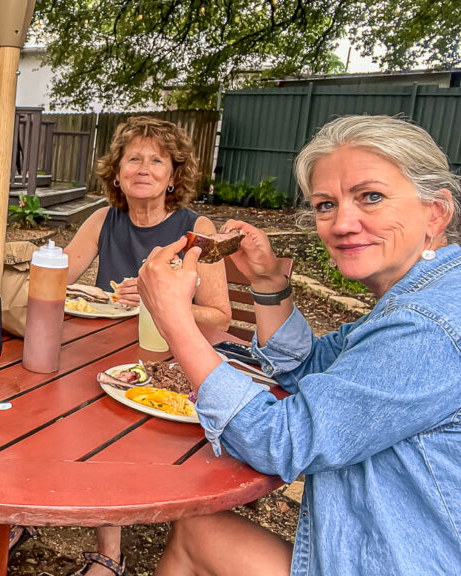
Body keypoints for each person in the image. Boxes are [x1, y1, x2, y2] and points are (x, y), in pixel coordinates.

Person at [140, 115, 461, 575]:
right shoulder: (424, 296)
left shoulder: (426, 326)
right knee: (197, 532)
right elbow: (311, 367)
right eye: (326, 204)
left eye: (371, 196)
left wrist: (175, 322)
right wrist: (270, 283)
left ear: (436, 212)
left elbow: (282, 440)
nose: (343, 223)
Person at [53, 116, 230, 576]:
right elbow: (61, 275)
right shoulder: (104, 218)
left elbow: (219, 315)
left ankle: (109, 557)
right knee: (50, 390)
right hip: (100, 351)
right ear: (117, 171)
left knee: (99, 416)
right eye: (134, 158)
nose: (144, 168)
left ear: (174, 175)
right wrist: (28, 265)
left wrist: (164, 302)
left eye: (158, 160)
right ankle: (28, 514)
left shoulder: (196, 227)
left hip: (169, 361)